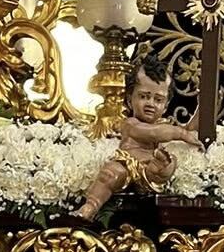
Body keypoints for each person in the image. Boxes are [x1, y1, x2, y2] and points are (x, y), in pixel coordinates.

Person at [76, 53, 200, 219]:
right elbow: (153, 133)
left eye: (158, 99)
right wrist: (181, 133)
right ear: (129, 99)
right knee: (111, 174)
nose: (150, 104)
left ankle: (160, 165)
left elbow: (191, 132)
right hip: (127, 165)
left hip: (149, 171)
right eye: (144, 96)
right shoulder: (130, 124)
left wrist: (202, 108)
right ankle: (90, 206)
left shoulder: (163, 125)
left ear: (166, 106)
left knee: (169, 164)